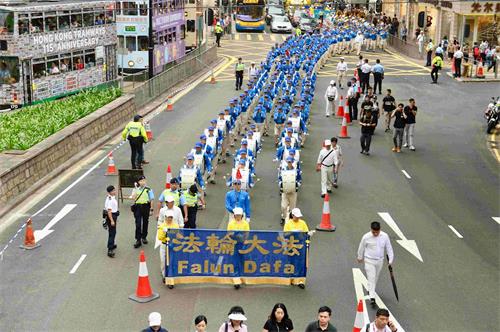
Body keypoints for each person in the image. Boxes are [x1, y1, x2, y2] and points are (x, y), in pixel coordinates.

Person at [357, 221, 394, 307]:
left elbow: (389, 248)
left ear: (380, 230)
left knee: (375, 277)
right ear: (371, 230)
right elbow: (361, 247)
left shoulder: (385, 236)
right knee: (371, 277)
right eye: (373, 232)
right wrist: (359, 256)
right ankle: (372, 297)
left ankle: (371, 289)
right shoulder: (366, 237)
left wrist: (390, 261)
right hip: (369, 260)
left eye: (377, 232)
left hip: (380, 261)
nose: (375, 233)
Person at [130, 175, 154, 248]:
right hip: (138, 207)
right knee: (138, 223)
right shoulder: (136, 189)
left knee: (145, 222)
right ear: (138, 182)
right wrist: (135, 189)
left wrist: (151, 209)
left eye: (144, 180)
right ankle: (138, 239)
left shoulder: (148, 189)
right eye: (141, 181)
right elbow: (133, 198)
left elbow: (152, 199)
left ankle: (144, 237)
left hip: (146, 206)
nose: (143, 182)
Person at [157, 209, 180, 277]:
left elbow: (177, 235)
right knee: (163, 261)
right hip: (164, 245)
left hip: (172, 245)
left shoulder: (175, 226)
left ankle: (171, 276)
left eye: (171, 217)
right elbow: (160, 237)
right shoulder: (162, 226)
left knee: (172, 261)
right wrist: (165, 233)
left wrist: (169, 232)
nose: (169, 219)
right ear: (165, 217)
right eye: (168, 217)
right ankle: (164, 275)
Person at [104, 185, 119, 258]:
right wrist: (112, 221)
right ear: (110, 192)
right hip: (111, 216)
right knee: (112, 232)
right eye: (113, 190)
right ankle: (110, 249)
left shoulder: (111, 197)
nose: (115, 191)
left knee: (113, 232)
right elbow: (109, 211)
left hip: (114, 215)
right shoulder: (110, 200)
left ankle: (112, 244)